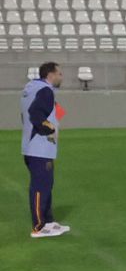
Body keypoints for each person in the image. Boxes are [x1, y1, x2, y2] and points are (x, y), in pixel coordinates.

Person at [20, 61, 68, 238]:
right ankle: (39, 226)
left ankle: (48, 221)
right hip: (39, 147)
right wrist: (51, 128)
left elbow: (28, 113)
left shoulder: (31, 89)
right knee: (41, 186)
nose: (61, 77)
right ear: (51, 75)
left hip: (33, 146)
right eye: (59, 73)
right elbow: (36, 114)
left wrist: (56, 115)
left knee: (46, 184)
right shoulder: (45, 91)